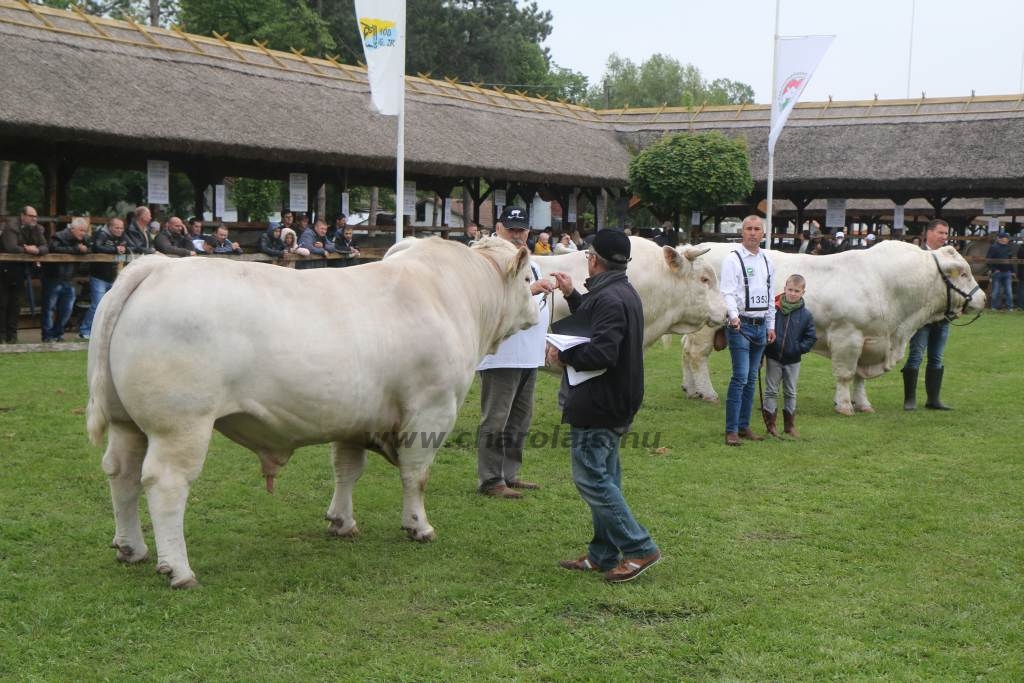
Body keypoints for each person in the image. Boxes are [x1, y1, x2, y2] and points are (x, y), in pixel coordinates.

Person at [548, 229, 661, 583]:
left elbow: (603, 352)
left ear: (595, 259)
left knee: (591, 477)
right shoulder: (617, 291)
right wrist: (573, 295)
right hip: (614, 400)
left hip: (601, 402)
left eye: (588, 256)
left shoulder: (612, 298)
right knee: (605, 475)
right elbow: (598, 321)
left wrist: (564, 354)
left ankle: (640, 547)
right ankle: (603, 554)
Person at [475, 206, 553, 499]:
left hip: (527, 352)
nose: (517, 235)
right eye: (511, 229)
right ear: (498, 229)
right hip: (501, 353)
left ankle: (509, 473)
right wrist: (533, 290)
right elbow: (491, 300)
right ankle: (491, 479)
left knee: (520, 419)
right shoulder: (487, 260)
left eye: (521, 230)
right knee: (496, 418)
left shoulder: (531, 262)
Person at [720, 215, 777, 446]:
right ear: (742, 232)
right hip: (741, 324)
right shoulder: (732, 260)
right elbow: (728, 292)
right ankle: (731, 429)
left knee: (752, 378)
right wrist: (733, 317)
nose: (753, 233)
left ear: (763, 233)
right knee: (740, 376)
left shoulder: (767, 261)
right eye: (749, 229)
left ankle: (743, 426)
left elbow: (771, 296)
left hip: (760, 326)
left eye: (757, 229)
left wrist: (771, 325)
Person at [901, 218, 955, 410]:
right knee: (916, 355)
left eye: (946, 234)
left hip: (943, 317)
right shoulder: (917, 256)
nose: (944, 237)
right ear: (929, 233)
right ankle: (910, 400)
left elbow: (956, 286)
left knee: (937, 358)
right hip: (922, 318)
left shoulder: (950, 256)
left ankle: (933, 399)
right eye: (940, 233)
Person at [762, 274, 817, 438]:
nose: (793, 293)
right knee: (771, 391)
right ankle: (770, 425)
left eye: (797, 291)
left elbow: (811, 337)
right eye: (790, 290)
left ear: (803, 292)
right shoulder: (773, 310)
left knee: (790, 392)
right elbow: (765, 331)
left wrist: (798, 349)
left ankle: (789, 426)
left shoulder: (806, 315)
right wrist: (764, 352)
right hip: (773, 357)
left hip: (793, 361)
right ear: (784, 289)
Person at [0, 205, 48, 343]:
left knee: (15, 304)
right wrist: (28, 249)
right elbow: (11, 247)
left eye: (35, 216)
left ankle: (13, 336)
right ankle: (2, 336)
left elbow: (45, 247)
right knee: (3, 303)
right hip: (4, 269)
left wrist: (36, 251)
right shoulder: (11, 226)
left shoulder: (36, 228)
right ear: (23, 216)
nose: (35, 219)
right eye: (31, 216)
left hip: (19, 270)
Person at [42, 217, 90, 342]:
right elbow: (53, 248)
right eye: (81, 230)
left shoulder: (83, 239)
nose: (83, 233)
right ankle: (47, 336)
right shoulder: (58, 236)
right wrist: (76, 250)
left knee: (66, 310)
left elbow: (92, 247)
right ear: (72, 229)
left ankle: (58, 333)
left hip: (69, 279)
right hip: (53, 277)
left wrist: (84, 249)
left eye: (85, 231)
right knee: (49, 309)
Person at [80, 217, 128, 340]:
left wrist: (124, 249)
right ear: (110, 227)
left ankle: (104, 331)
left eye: (121, 228)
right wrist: (115, 249)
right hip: (98, 276)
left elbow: (128, 246)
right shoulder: (101, 234)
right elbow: (96, 247)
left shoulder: (121, 237)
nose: (119, 230)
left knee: (111, 306)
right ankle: (85, 330)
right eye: (117, 227)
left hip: (113, 277)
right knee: (97, 305)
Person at [986, 231, 1014, 311]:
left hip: (1007, 272)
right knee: (996, 291)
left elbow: (1010, 260)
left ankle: (1010, 307)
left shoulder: (1008, 248)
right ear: (999, 239)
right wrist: (994, 270)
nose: (1006, 240)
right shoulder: (993, 247)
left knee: (1009, 291)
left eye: (1007, 239)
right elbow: (988, 260)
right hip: (997, 273)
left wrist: (1012, 271)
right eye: (1005, 238)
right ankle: (994, 307)